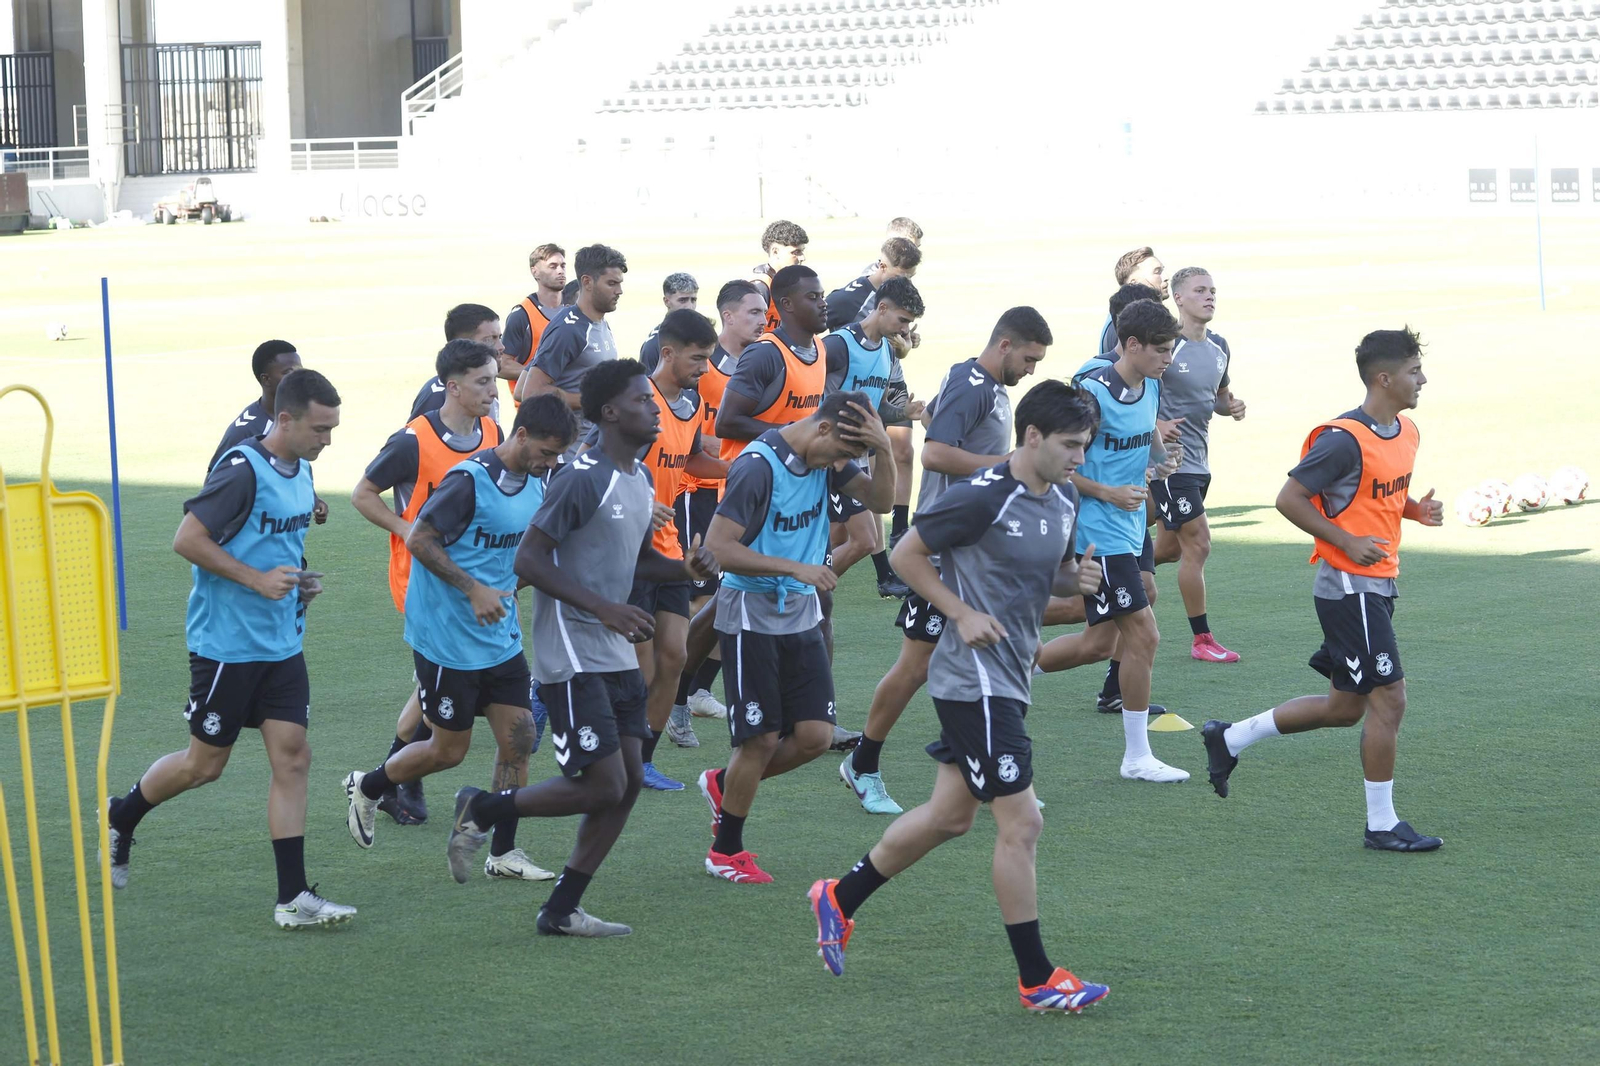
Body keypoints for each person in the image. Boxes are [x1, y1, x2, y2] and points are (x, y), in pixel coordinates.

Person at [808, 379, 1111, 1014]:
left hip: (1010, 676)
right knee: (1023, 823)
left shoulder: (1061, 495)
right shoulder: (983, 495)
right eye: (1070, 444)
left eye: (1085, 444)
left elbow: (1049, 572)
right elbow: (906, 553)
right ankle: (1037, 979)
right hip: (974, 681)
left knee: (950, 817)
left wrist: (1075, 579)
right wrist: (959, 612)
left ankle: (838, 898)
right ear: (1032, 436)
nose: (1080, 457)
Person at [444, 359, 717, 937]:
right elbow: (529, 560)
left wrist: (682, 569)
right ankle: (483, 807)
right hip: (571, 648)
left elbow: (635, 559)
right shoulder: (580, 477)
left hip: (612, 649)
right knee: (603, 784)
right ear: (610, 412)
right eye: (642, 400)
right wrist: (603, 608)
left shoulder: (638, 478)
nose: (655, 408)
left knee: (629, 781)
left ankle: (561, 910)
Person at [105, 370, 355, 928]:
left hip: (282, 644)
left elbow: (279, 544)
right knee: (204, 765)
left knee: (294, 757)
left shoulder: (303, 468)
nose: (328, 440)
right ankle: (122, 814)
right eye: (320, 429)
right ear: (284, 419)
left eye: (333, 429)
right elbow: (187, 539)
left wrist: (299, 581)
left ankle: (293, 898)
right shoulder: (241, 469)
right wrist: (256, 580)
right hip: (227, 647)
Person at [1202, 328, 1444, 852]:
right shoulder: (1341, 439)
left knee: (1344, 708)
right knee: (1390, 699)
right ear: (1385, 378)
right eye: (1414, 371)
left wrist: (1414, 510)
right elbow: (1289, 499)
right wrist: (1345, 541)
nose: (1423, 379)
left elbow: (1371, 493)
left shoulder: (1406, 431)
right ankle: (1381, 825)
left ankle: (1230, 737)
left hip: (1378, 584)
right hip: (1349, 588)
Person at [343, 395, 577, 882]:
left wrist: (514, 584)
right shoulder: (469, 481)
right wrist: (473, 590)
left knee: (519, 739)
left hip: (498, 636)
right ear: (521, 435)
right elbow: (419, 539)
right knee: (448, 751)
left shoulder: (538, 482)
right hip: (447, 638)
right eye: (546, 453)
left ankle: (503, 853)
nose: (551, 463)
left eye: (558, 456)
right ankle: (369, 786)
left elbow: (517, 553)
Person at [843, 307, 1049, 815]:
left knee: (995, 656)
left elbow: (933, 418)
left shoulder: (981, 384)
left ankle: (990, 769)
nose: (1031, 370)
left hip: (974, 552)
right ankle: (862, 764)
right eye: (1029, 359)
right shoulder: (973, 383)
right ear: (1005, 345)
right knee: (916, 666)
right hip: (940, 554)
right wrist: (1007, 465)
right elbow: (934, 452)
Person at [698, 390, 895, 884]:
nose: (842, 466)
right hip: (750, 615)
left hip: (801, 613)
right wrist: (795, 568)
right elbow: (719, 549)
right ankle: (725, 851)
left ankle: (725, 784)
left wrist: (886, 449)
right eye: (842, 454)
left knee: (814, 737)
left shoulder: (830, 457)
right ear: (823, 428)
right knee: (761, 739)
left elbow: (881, 501)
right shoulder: (757, 467)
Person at [351, 339, 506, 825]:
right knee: (431, 682)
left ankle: (393, 779)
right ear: (453, 387)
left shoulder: (492, 431)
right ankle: (393, 779)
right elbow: (363, 493)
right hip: (423, 577)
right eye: (484, 381)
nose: (494, 390)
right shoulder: (412, 441)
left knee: (429, 686)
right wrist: (406, 530)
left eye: (494, 379)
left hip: (476, 578)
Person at [1038, 300, 1188, 782]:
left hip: (1129, 527)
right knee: (1144, 635)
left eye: (1171, 350)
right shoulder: (1093, 395)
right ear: (1131, 345)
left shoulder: (1151, 384)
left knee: (1099, 643)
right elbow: (1057, 465)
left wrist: (1162, 460)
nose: (1168, 359)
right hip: (1095, 533)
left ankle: (1003, 667)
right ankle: (1137, 758)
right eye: (1161, 350)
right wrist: (1107, 491)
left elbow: (1147, 438)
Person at [715, 263, 862, 752]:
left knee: (820, 595)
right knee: (728, 596)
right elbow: (727, 421)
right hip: (760, 486)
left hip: (808, 478)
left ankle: (816, 715)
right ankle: (681, 691)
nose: (824, 303)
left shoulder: (818, 349)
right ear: (787, 305)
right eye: (814, 297)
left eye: (823, 295)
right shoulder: (765, 354)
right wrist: (792, 441)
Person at [615, 309, 727, 788]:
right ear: (667, 353)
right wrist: (641, 503)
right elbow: (600, 465)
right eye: (698, 359)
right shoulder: (637, 399)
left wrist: (737, 468)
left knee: (675, 657)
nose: (705, 368)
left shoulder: (693, 402)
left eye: (708, 359)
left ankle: (641, 762)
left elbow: (692, 457)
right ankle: (610, 754)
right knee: (640, 669)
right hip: (628, 551)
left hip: (669, 549)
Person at [664, 280, 770, 746]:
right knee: (703, 599)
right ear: (728, 315)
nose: (762, 320)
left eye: (764, 312)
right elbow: (688, 433)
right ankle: (674, 694)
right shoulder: (701, 367)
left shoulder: (760, 360)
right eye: (753, 312)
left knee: (729, 595)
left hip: (736, 492)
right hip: (695, 493)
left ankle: (691, 691)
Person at [1150, 267, 1247, 664]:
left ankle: (1108, 569)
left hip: (1200, 462)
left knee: (1169, 549)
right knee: (1199, 543)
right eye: (1200, 290)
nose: (1210, 297)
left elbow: (1219, 397)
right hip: (1170, 465)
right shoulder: (1165, 347)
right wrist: (1156, 425)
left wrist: (1231, 406)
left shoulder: (1219, 346)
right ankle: (1202, 639)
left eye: (1212, 291)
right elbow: (1136, 392)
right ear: (1178, 298)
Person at [824, 276, 924, 601]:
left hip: (856, 456)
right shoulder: (838, 345)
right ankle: (802, 590)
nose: (906, 330)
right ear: (881, 308)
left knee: (839, 537)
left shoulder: (887, 353)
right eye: (903, 320)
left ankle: (804, 594)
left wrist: (903, 411)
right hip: (830, 458)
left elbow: (877, 407)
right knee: (864, 539)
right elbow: (805, 388)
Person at [514, 243, 626, 448]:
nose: (619, 291)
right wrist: (592, 401)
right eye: (611, 283)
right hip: (570, 453)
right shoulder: (568, 330)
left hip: (594, 446)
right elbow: (529, 392)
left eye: (619, 283)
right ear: (587, 282)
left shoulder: (599, 322)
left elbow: (522, 386)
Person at [410, 304, 511, 422]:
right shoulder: (438, 395)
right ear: (463, 344)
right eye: (489, 340)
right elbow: (417, 432)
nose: (501, 347)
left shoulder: (487, 384)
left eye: (499, 337)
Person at [503, 243, 567, 393]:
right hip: (533, 403)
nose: (560, 271)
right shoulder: (522, 315)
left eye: (563, 266)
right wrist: (541, 375)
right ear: (535, 272)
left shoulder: (574, 309)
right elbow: (503, 365)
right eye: (553, 266)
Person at [824, 237, 922, 330]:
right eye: (900, 277)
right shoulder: (849, 299)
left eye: (911, 277)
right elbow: (814, 324)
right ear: (883, 267)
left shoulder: (897, 294)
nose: (908, 283)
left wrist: (904, 336)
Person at [1097, 247, 1167, 354]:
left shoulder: (1125, 318)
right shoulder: (1125, 324)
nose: (1166, 277)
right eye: (1157, 272)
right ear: (1134, 283)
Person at [749, 219, 809, 332]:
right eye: (795, 252)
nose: (802, 258)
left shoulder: (789, 282)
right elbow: (747, 333)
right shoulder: (761, 287)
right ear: (775, 252)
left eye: (802, 251)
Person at [638, 272, 700, 372]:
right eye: (682, 300)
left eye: (693, 300)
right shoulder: (654, 345)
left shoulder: (703, 335)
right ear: (666, 301)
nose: (689, 306)